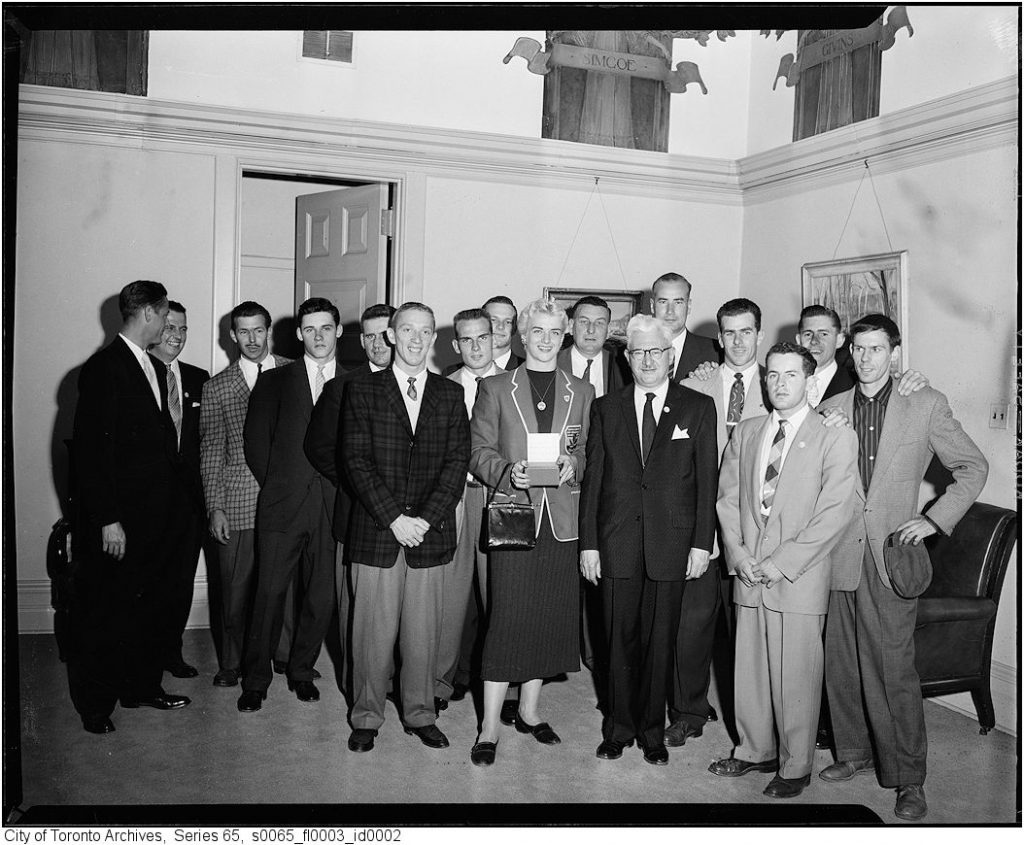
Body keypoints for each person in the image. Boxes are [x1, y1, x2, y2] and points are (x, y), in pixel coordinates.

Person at [818, 314, 988, 821]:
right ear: (850, 352)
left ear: (894, 353)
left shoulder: (925, 404)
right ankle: (852, 754)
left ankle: (908, 778)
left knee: (894, 670)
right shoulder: (830, 409)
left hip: (893, 555)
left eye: (877, 349)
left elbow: (972, 468)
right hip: (838, 554)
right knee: (841, 662)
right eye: (860, 349)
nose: (867, 358)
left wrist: (933, 522)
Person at [710, 342, 858, 798]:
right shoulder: (749, 430)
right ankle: (755, 750)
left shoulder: (834, 434)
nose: (779, 384)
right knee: (749, 670)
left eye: (790, 375)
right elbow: (727, 500)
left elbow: (835, 511)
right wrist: (738, 556)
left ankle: (796, 766)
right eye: (772, 375)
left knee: (796, 675)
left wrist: (782, 563)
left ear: (810, 381)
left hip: (798, 576)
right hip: (751, 573)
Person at [580, 314, 718, 765]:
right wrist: (589, 545)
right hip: (617, 542)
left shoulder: (697, 408)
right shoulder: (606, 408)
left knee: (661, 642)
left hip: (672, 546)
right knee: (618, 640)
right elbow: (595, 483)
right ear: (627, 358)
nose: (647, 360)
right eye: (638, 352)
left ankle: (652, 733)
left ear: (670, 355)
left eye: (655, 351)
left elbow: (705, 483)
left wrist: (702, 544)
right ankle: (618, 727)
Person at [467, 298, 594, 766]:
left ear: (564, 337)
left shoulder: (581, 390)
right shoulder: (497, 387)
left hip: (561, 523)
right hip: (514, 517)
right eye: (536, 331)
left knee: (547, 618)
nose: (545, 340)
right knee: (508, 620)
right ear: (522, 336)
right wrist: (506, 473)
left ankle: (531, 710)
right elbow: (477, 450)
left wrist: (571, 463)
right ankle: (488, 726)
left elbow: (584, 449)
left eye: (554, 332)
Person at [341, 302, 469, 753]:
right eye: (407, 330)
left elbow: (457, 465)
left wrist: (425, 519)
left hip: (430, 534)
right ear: (391, 336)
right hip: (378, 532)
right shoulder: (363, 389)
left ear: (434, 339)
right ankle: (367, 716)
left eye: (426, 331)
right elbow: (355, 461)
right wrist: (395, 518)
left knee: (424, 634)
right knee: (371, 634)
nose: (416, 339)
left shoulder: (450, 396)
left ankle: (420, 713)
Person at [68, 280, 191, 734]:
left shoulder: (150, 367)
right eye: (164, 316)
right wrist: (108, 520)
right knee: (106, 611)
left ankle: (141, 686)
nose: (168, 325)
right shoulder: (105, 368)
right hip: (120, 521)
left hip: (154, 518)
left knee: (148, 607)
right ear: (148, 315)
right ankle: (96, 706)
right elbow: (91, 454)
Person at [663, 297, 769, 746]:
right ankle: (687, 711)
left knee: (748, 629)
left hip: (756, 530)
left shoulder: (781, 383)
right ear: (718, 338)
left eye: (747, 332)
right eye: (729, 333)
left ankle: (753, 722)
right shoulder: (693, 386)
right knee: (691, 623)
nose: (738, 341)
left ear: (759, 336)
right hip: (701, 526)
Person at [237, 297, 341, 711]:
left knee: (320, 596)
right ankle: (256, 679)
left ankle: (301, 670)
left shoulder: (353, 381)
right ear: (298, 334)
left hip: (331, 506)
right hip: (282, 504)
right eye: (310, 329)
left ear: (337, 331)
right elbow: (256, 444)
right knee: (268, 594)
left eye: (326, 328)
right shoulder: (275, 381)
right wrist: (282, 484)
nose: (319, 336)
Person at [303, 302, 395, 698]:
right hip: (358, 514)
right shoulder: (341, 387)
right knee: (355, 610)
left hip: (407, 520)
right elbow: (318, 447)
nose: (377, 343)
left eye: (385, 334)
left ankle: (394, 684)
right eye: (369, 336)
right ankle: (357, 688)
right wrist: (359, 484)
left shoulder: (422, 384)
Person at [199, 301, 290, 688]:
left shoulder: (294, 372)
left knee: (285, 585)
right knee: (235, 588)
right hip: (238, 502)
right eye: (243, 332)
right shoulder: (217, 387)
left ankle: (285, 654)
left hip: (286, 500)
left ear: (269, 331)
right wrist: (215, 506)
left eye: (259, 331)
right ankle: (232, 662)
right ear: (232, 336)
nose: (252, 340)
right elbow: (210, 453)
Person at [557, 294, 631, 700]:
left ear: (610, 328)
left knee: (601, 567)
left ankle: (595, 651)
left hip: (609, 485)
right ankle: (564, 646)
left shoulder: (623, 364)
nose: (590, 330)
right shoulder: (550, 360)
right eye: (583, 321)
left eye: (600, 323)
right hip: (563, 482)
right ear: (571, 325)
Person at [434, 308, 505, 710]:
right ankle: (441, 681)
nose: (476, 347)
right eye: (467, 340)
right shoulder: (443, 387)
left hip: (498, 498)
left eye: (483, 337)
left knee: (499, 595)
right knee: (449, 596)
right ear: (455, 344)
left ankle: (503, 686)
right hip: (455, 499)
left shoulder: (514, 384)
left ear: (495, 338)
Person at [147, 300, 210, 679]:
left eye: (183, 329)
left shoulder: (199, 376)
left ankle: (171, 651)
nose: (176, 335)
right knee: (147, 583)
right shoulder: (137, 373)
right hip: (148, 504)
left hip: (188, 505)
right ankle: (144, 659)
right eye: (170, 327)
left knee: (180, 581)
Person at [650, 272, 721, 382]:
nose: (670, 311)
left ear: (689, 306)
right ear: (652, 306)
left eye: (678, 302)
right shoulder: (627, 354)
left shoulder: (717, 352)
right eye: (663, 302)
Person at [795, 305, 856, 407]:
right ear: (798, 340)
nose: (814, 341)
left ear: (839, 340)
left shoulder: (854, 385)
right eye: (808, 334)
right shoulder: (784, 382)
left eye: (823, 334)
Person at [482, 295, 525, 371]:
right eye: (493, 320)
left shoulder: (528, 373)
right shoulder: (455, 374)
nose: (501, 326)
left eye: (508, 322)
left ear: (514, 328)